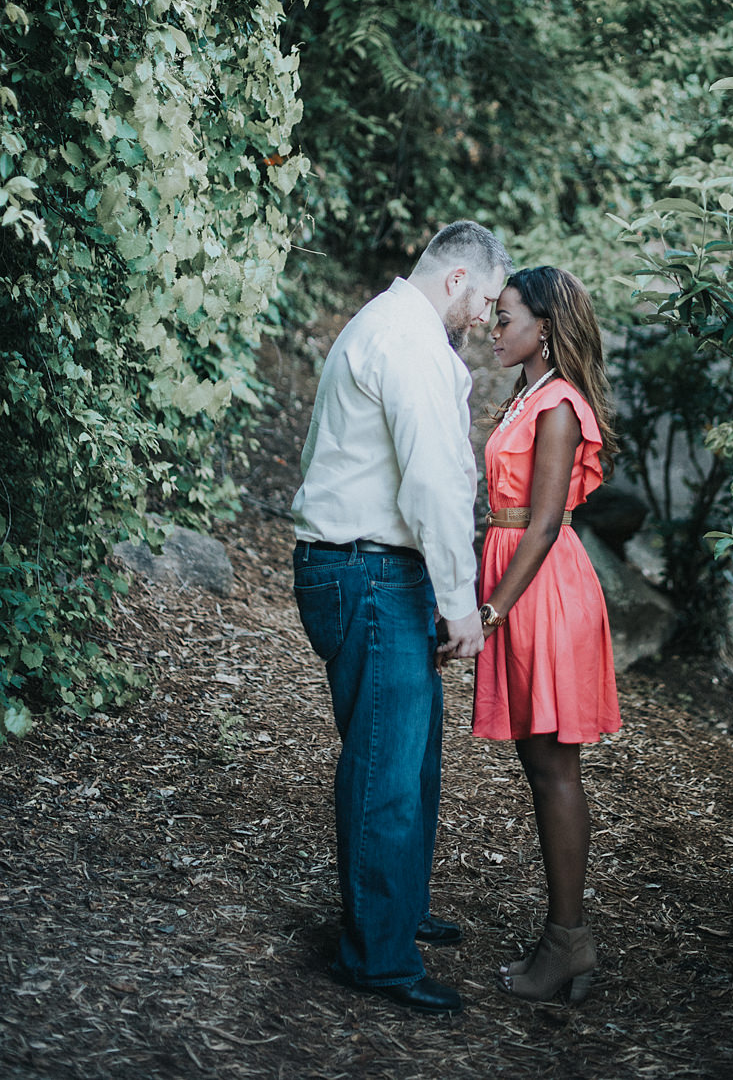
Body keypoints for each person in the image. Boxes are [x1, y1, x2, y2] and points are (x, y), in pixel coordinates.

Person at [291, 221, 513, 1015]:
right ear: (457, 279)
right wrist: (461, 604)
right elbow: (431, 487)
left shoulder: (394, 327)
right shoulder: (410, 341)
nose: (488, 319)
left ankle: (399, 910)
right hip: (371, 571)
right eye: (487, 301)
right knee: (387, 764)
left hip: (377, 570)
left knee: (412, 757)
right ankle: (377, 957)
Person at [472, 265, 622, 1003]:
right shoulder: (526, 394)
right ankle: (568, 939)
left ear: (545, 328)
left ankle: (569, 942)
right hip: (521, 583)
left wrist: (492, 609)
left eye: (506, 318)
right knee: (542, 768)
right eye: (495, 318)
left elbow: (542, 523)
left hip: (542, 590)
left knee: (555, 770)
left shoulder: (559, 405)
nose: (494, 330)